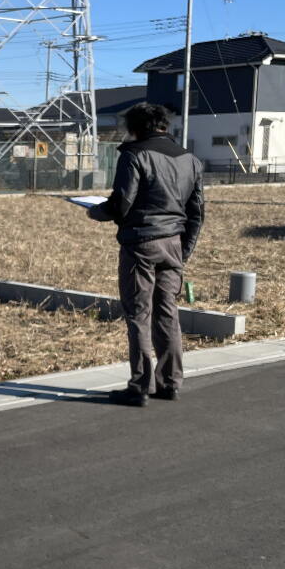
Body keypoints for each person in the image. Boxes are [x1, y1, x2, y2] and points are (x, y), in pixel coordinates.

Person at [87, 103, 204, 406]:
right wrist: (184, 250)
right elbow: (197, 213)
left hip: (141, 243)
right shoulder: (190, 159)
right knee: (168, 313)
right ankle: (170, 383)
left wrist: (95, 211)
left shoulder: (135, 155)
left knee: (138, 315)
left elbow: (121, 202)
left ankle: (140, 386)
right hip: (174, 243)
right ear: (164, 125)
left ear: (136, 128)